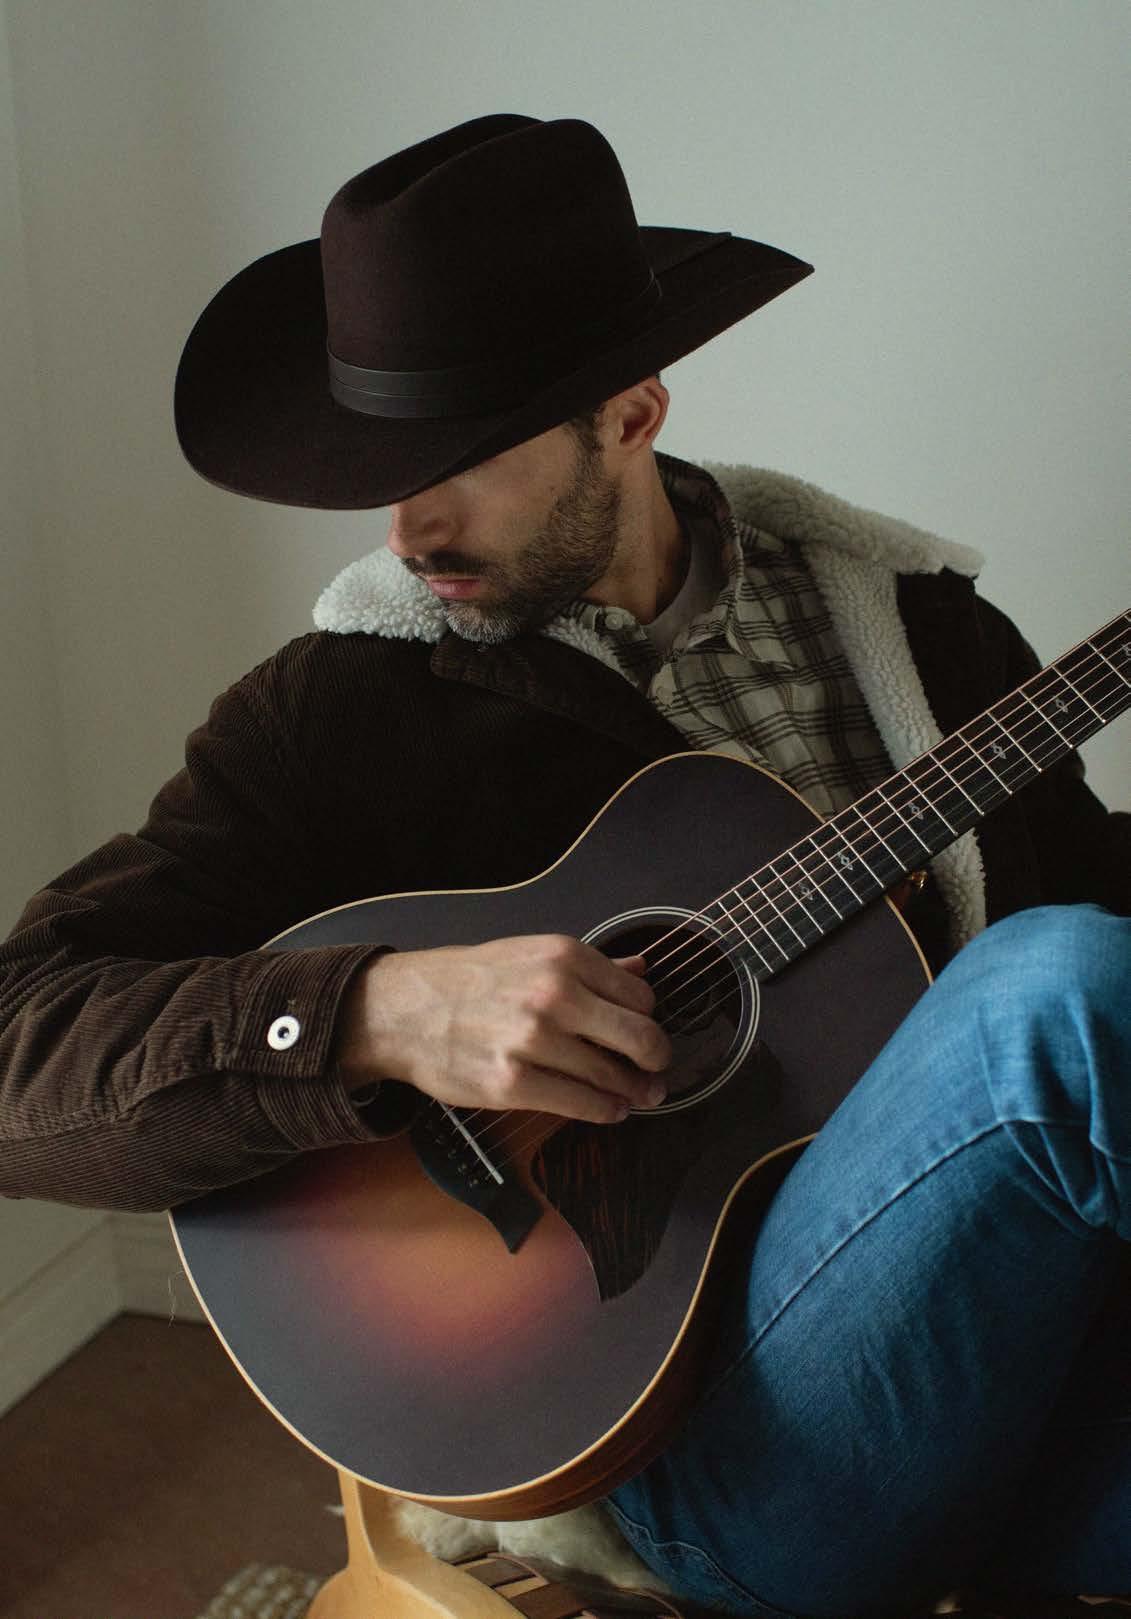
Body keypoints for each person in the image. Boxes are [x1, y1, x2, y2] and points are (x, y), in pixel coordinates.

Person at [1, 114, 1128, 1618]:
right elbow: (17, 1047)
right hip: (724, 1457)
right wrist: (380, 1014)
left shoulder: (919, 631)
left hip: (1039, 1375)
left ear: (634, 413)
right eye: (385, 469)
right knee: (1051, 993)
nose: (412, 527)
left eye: (465, 460)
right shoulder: (345, 715)